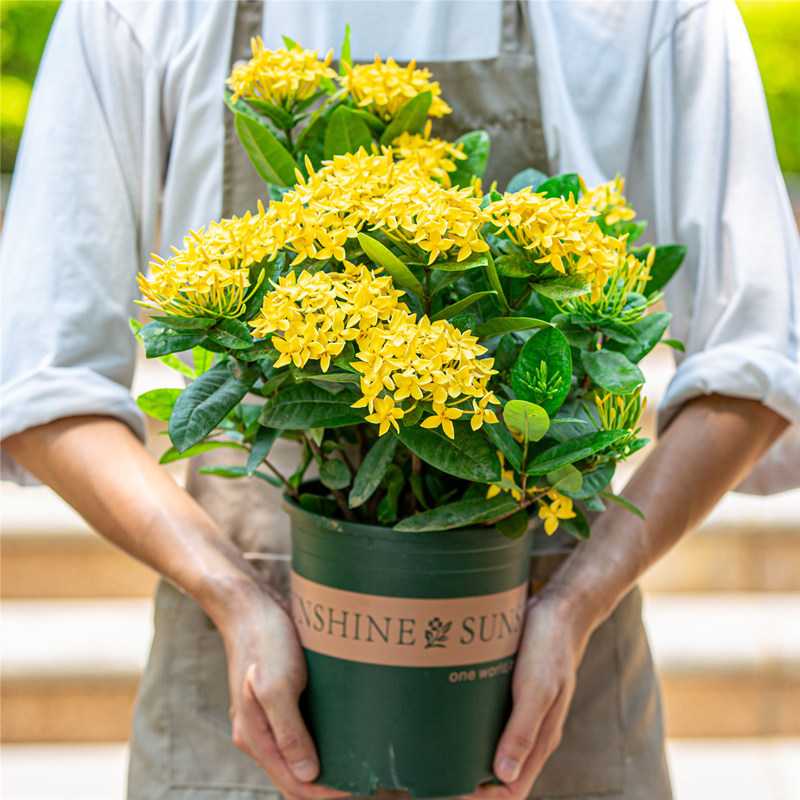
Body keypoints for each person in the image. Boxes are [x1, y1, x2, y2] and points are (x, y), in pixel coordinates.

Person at [2, 1, 798, 799]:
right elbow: (39, 383)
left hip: (558, 692)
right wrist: (233, 597)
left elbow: (759, 357)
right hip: (239, 692)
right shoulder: (141, 13)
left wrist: (577, 601)